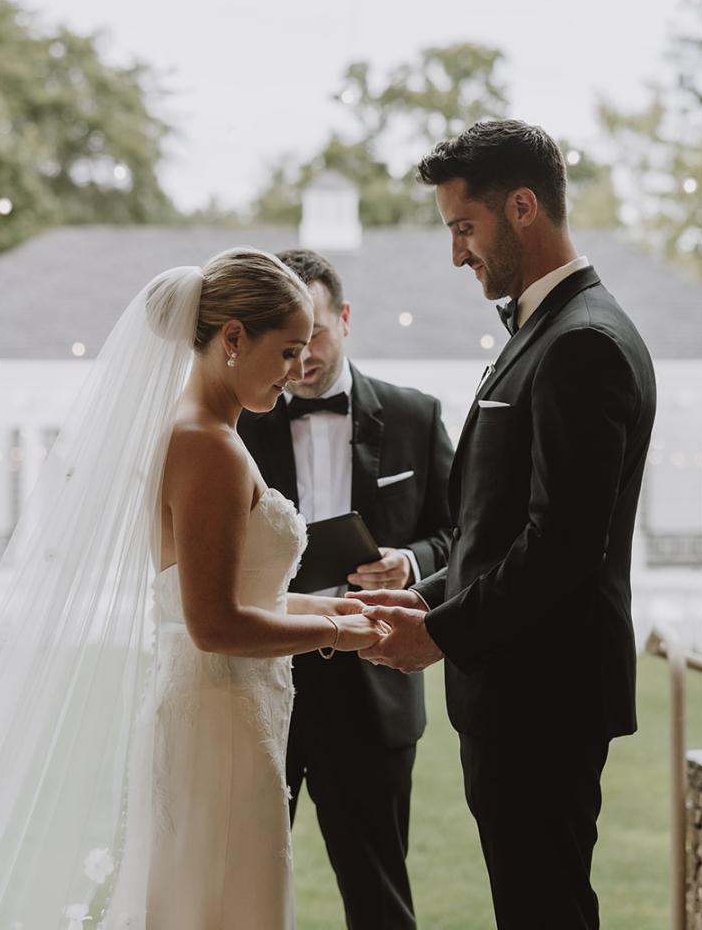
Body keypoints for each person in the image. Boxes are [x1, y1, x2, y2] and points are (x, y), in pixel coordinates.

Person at [0, 248, 385, 930]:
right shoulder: (204, 444)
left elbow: (235, 599)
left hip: (234, 707)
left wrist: (339, 606)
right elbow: (213, 625)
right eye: (288, 348)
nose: (298, 368)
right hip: (221, 712)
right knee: (218, 901)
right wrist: (336, 633)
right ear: (234, 338)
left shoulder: (211, 434)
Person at [354, 119, 658, 929]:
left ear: (523, 206)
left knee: (545, 909)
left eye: (464, 228)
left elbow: (561, 545)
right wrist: (433, 597)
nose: (458, 254)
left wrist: (443, 634)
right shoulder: (546, 331)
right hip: (521, 688)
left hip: (543, 695)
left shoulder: (582, 343)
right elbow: (500, 527)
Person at [238, 249, 455, 930]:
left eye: (317, 337)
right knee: (243, 883)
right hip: (260, 680)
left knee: (378, 893)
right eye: (289, 343)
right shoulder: (235, 426)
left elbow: (459, 531)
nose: (301, 360)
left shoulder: (414, 416)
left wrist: (411, 564)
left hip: (374, 683)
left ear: (346, 318)